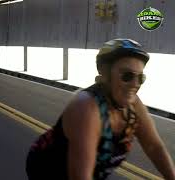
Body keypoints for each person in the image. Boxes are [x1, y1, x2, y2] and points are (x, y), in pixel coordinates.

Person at [25, 39, 175, 180]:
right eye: (127, 76)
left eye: (140, 78)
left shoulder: (133, 105)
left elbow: (154, 147)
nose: (135, 84)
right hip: (48, 171)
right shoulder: (86, 108)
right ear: (104, 73)